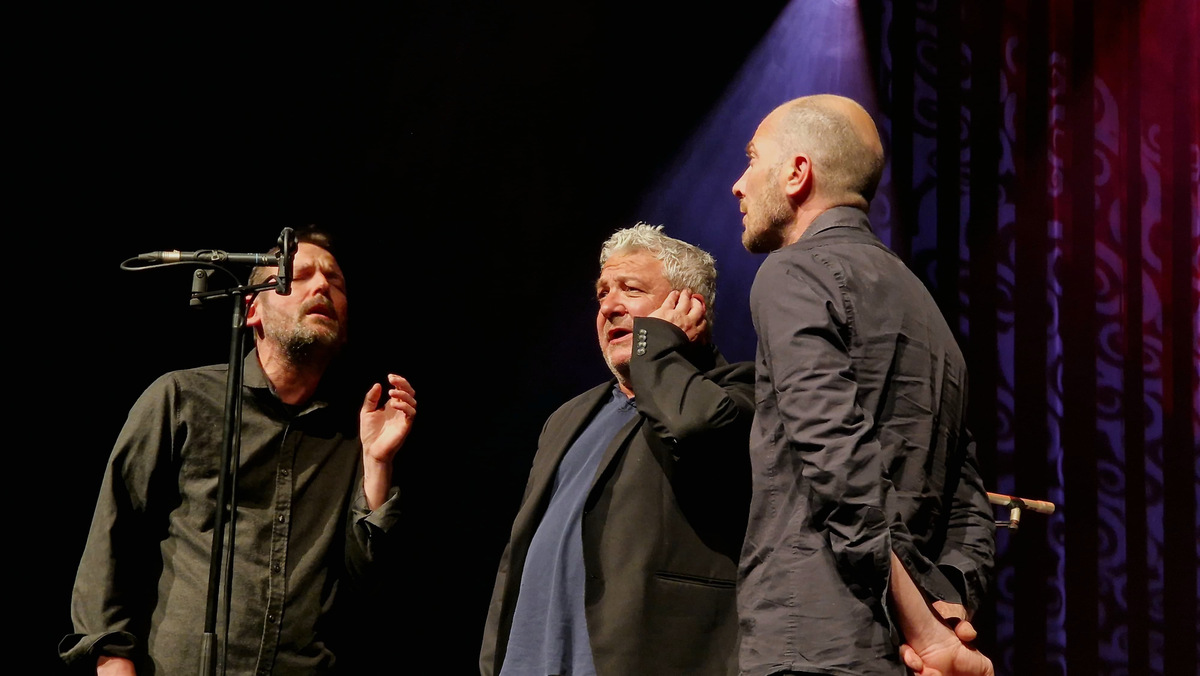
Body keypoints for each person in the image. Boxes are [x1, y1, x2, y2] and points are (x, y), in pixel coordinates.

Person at [60, 225, 417, 675]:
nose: (322, 286)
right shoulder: (181, 397)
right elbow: (114, 536)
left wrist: (377, 465)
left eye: (336, 281)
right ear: (252, 309)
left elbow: (367, 584)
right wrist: (112, 660)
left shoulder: (356, 431)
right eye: (298, 276)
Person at [730, 93, 996, 675]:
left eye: (752, 159)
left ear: (797, 172)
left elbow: (836, 455)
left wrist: (924, 627)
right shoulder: (926, 309)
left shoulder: (792, 272)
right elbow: (968, 497)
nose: (738, 185)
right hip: (903, 656)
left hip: (812, 642)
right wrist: (949, 604)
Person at [479, 223, 755, 676]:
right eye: (603, 293)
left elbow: (694, 427)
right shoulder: (568, 417)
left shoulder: (738, 392)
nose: (609, 306)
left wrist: (658, 349)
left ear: (688, 307)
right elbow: (520, 551)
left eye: (631, 289)